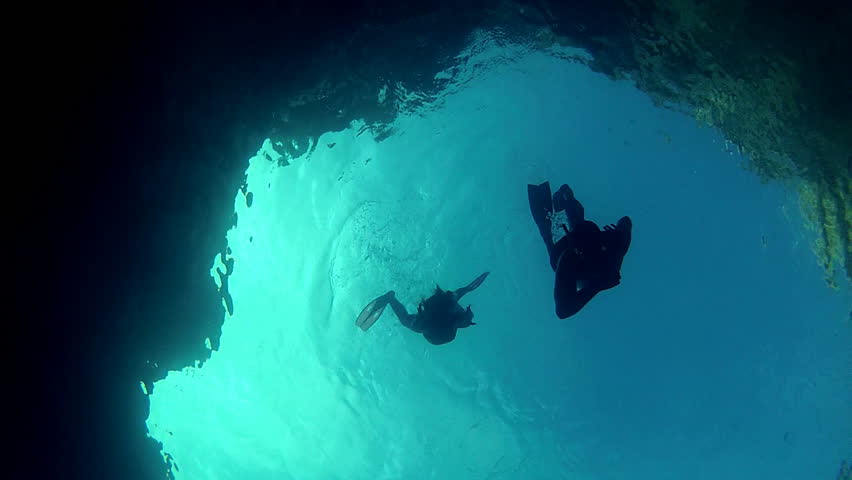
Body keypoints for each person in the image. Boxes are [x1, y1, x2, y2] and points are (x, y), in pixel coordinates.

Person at [527, 181, 631, 318]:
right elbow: (625, 223)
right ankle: (566, 199)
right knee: (561, 230)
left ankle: (566, 199)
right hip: (581, 248)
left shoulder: (570, 262)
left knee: (556, 232)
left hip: (576, 252)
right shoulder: (610, 257)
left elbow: (563, 311)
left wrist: (600, 285)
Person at [355, 272, 490, 345]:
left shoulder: (451, 309)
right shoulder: (452, 309)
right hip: (432, 317)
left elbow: (465, 290)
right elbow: (466, 290)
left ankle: (390, 298)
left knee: (408, 319)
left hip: (432, 318)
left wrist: (474, 284)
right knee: (407, 320)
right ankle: (390, 298)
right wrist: (476, 282)